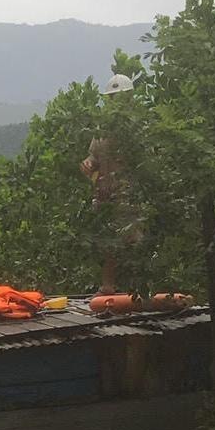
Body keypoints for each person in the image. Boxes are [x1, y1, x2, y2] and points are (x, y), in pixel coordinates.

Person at [81, 73, 143, 294]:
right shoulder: (102, 131)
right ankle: (108, 287)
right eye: (113, 98)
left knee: (134, 242)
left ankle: (138, 288)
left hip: (129, 195)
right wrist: (88, 164)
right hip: (105, 196)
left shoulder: (138, 129)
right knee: (107, 244)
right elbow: (93, 158)